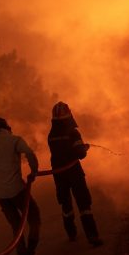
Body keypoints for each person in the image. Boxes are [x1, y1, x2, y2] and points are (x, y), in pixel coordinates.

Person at [0, 117, 42, 255]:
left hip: (0, 194)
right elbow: (30, 153)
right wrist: (34, 171)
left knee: (16, 228)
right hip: (17, 189)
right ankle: (30, 253)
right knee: (34, 219)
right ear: (7, 128)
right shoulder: (14, 140)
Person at [48, 102, 103, 247]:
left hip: (59, 175)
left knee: (66, 204)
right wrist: (84, 148)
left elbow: (58, 153)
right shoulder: (73, 132)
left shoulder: (51, 134)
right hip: (74, 173)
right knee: (84, 204)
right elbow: (80, 154)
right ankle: (93, 237)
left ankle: (71, 234)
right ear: (68, 114)